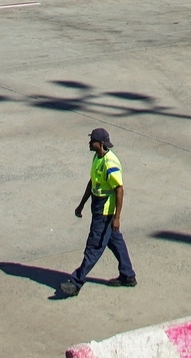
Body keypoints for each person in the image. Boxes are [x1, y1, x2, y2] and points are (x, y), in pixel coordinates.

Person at [58, 127, 135, 297]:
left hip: (105, 211)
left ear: (100, 143)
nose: (89, 143)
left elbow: (119, 190)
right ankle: (128, 275)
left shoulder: (110, 163)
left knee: (94, 246)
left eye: (92, 140)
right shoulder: (97, 157)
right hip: (97, 205)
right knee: (114, 241)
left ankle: (76, 282)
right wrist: (81, 205)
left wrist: (117, 218)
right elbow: (92, 182)